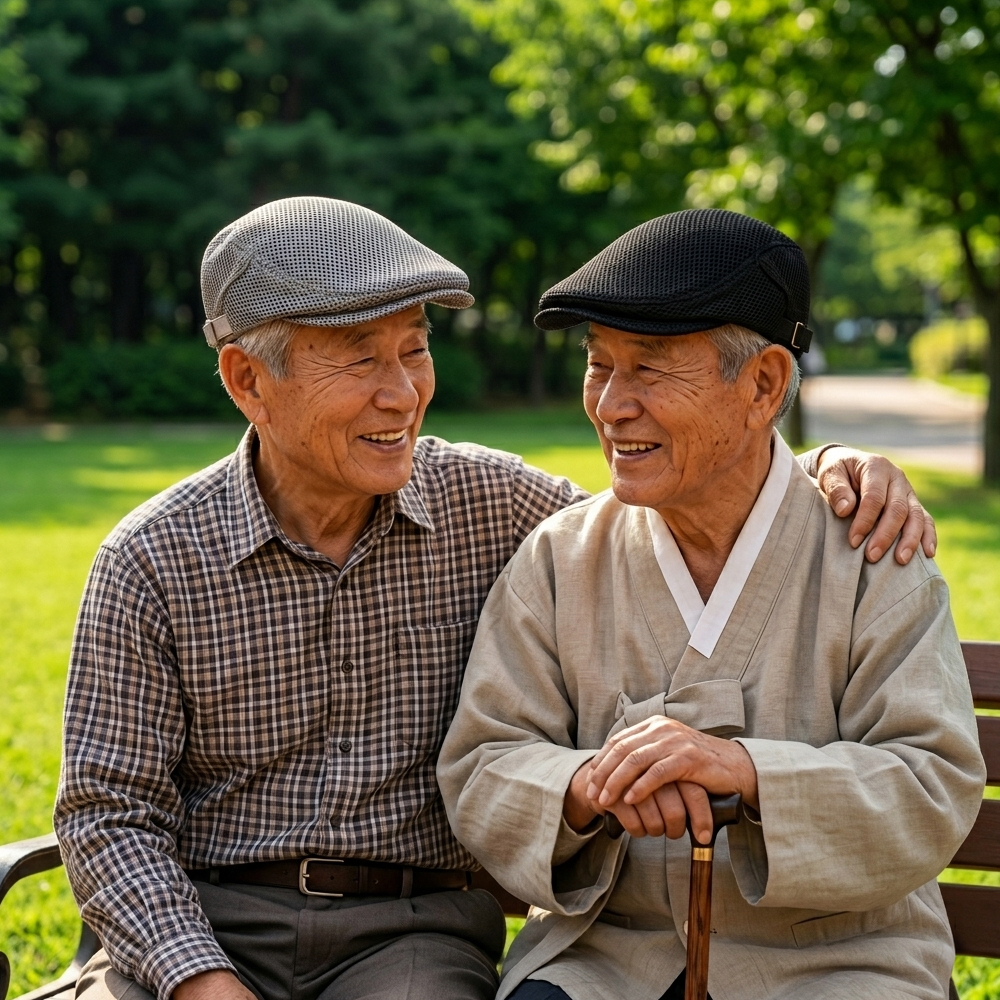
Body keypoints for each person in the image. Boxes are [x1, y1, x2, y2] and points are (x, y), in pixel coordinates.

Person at [57, 197, 936, 1000]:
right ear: (248, 380)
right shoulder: (152, 558)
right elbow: (108, 814)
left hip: (404, 938)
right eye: (360, 358)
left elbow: (719, 490)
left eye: (414, 348)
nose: (402, 393)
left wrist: (827, 471)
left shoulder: (501, 510)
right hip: (205, 924)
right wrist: (199, 983)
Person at [438, 208, 985, 1000]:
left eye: (651, 367)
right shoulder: (561, 556)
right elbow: (485, 762)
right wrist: (588, 787)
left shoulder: (874, 554)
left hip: (839, 964)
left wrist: (748, 772)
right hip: (608, 959)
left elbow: (929, 783)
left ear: (763, 383)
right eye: (599, 365)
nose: (610, 404)